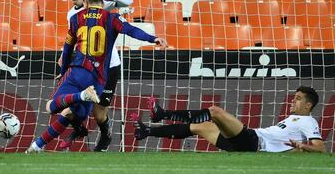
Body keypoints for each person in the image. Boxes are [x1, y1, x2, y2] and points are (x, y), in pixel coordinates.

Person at [26, 0, 167, 153]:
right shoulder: (112, 17)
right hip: (98, 80)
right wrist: (153, 38)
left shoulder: (76, 18)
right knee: (72, 113)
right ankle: (37, 146)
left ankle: (79, 97)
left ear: (85, 3)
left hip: (77, 72)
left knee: (51, 107)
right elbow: (131, 30)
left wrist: (64, 72)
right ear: (102, 3)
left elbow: (67, 50)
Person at [58, 0, 133, 152]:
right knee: (66, 107)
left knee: (99, 114)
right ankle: (80, 129)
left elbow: (129, 2)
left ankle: (106, 135)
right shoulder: (71, 15)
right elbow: (75, 39)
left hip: (109, 67)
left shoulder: (101, 5)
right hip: (86, 68)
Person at [133, 86, 326, 153]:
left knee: (215, 112)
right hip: (248, 145)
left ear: (309, 105)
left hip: (254, 142)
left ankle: (163, 114)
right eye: (294, 97)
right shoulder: (293, 118)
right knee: (202, 127)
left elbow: (320, 148)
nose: (294, 100)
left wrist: (303, 147)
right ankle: (147, 131)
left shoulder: (309, 121)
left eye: (299, 99)